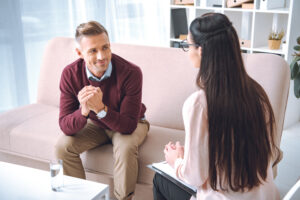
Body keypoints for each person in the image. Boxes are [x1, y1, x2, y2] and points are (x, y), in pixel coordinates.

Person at [153, 13, 281, 200]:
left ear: (201, 51)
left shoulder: (199, 104)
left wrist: (177, 161)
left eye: (188, 46)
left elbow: (195, 176)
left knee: (160, 179)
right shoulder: (257, 93)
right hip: (265, 196)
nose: (188, 52)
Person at [55, 21, 149, 200]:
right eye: (92, 50)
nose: (102, 56)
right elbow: (65, 125)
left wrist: (100, 108)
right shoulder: (70, 74)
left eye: (105, 47)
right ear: (79, 53)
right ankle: (82, 197)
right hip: (96, 123)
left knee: (126, 147)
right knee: (62, 147)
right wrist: (83, 111)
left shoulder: (131, 72)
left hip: (132, 121)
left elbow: (128, 125)